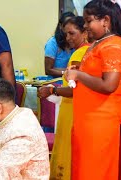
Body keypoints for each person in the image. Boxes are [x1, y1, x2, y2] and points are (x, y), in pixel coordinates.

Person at [65, 0, 121, 179]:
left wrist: (79, 76)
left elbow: (109, 85)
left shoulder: (113, 45)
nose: (85, 26)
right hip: (88, 121)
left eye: (88, 21)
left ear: (105, 20)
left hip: (102, 122)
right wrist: (79, 73)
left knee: (95, 172)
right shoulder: (100, 43)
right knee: (84, 170)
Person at [38, 16, 90, 180]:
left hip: (71, 110)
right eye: (66, 34)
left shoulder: (80, 54)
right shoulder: (90, 51)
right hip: (78, 109)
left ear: (84, 32)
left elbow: (76, 89)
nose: (68, 38)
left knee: (68, 153)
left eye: (72, 33)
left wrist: (53, 91)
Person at [44, 12, 75, 78]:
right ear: (61, 26)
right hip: (55, 82)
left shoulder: (75, 41)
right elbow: (48, 70)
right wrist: (67, 72)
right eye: (67, 25)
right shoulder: (52, 43)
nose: (69, 28)